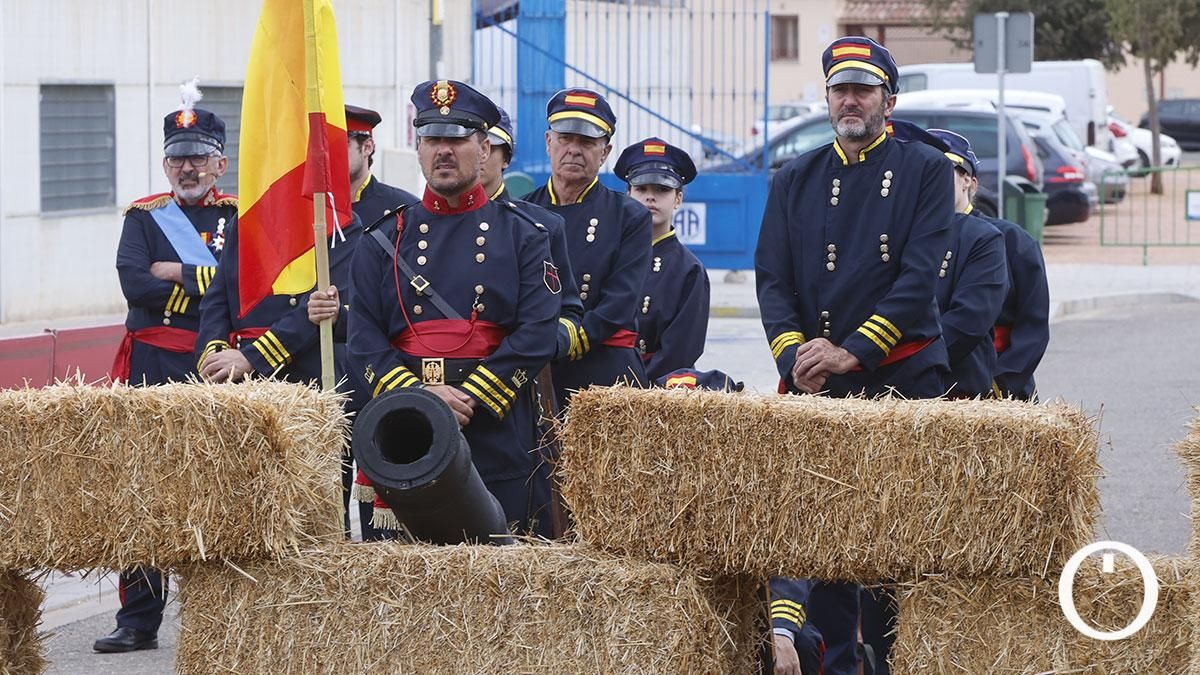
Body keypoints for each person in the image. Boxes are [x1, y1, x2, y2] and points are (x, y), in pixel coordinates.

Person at [755, 37, 954, 675]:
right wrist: (795, 357)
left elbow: (918, 279)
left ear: (887, 101)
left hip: (901, 378)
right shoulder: (797, 177)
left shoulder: (925, 170)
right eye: (840, 88)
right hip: (818, 386)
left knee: (898, 547)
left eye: (863, 89)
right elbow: (771, 278)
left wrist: (852, 352)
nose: (849, 100)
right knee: (825, 543)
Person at [347, 79, 560, 537]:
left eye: (457, 139)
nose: (444, 151)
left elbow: (538, 332)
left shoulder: (523, 234)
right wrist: (421, 400)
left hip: (495, 427)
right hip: (408, 430)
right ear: (418, 148)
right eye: (432, 139)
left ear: (484, 148)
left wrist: (472, 397)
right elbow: (362, 338)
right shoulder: (384, 238)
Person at [96, 103, 235, 655]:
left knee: (216, 489)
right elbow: (135, 285)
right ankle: (138, 619)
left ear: (220, 163)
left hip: (211, 364)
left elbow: (243, 284)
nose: (188, 169)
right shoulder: (143, 217)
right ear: (165, 164)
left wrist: (177, 272)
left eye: (199, 157)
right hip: (151, 367)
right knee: (145, 491)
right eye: (178, 159)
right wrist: (209, 285)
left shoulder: (238, 217)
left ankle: (220, 616)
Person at [523, 89, 652, 406]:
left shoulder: (628, 216)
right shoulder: (523, 210)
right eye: (565, 138)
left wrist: (563, 340)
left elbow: (620, 302)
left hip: (604, 373)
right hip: (536, 370)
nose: (573, 150)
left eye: (586, 143)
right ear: (548, 142)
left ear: (605, 152)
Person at [341, 104, 419, 540]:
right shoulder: (309, 210)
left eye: (339, 145)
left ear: (366, 146)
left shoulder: (400, 209)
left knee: (384, 517)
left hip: (383, 373)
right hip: (328, 374)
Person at [922, 127, 1008, 398]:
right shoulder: (902, 230)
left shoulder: (993, 238)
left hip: (958, 382)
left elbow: (971, 319)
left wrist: (1007, 383)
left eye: (942, 171)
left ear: (967, 180)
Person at [614, 138, 710, 381]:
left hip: (658, 391)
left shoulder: (689, 270)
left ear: (678, 198)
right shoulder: (610, 256)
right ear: (628, 194)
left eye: (662, 190)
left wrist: (634, 389)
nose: (651, 198)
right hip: (602, 383)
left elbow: (681, 352)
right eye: (642, 189)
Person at [346, 104, 419, 222]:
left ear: (367, 147)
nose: (331, 152)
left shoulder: (404, 209)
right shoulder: (314, 206)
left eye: (341, 143)